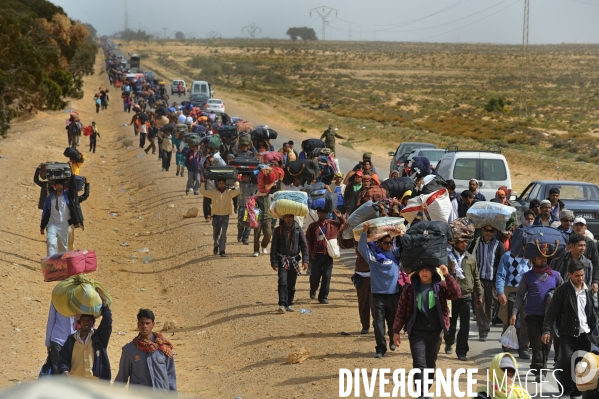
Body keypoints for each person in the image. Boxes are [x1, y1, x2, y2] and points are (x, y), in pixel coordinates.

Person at [392, 264, 461, 397]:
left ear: (432, 272)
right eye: (422, 270)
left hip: (435, 332)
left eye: (427, 270)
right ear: (417, 273)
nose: (424, 273)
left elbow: (456, 293)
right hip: (417, 332)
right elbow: (401, 311)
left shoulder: (440, 287)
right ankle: (422, 393)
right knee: (419, 363)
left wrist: (447, 275)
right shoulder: (410, 289)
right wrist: (396, 331)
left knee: (430, 364)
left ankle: (424, 389)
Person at [543, 259, 597, 398]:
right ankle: (566, 390)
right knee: (566, 360)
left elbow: (591, 312)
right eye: (577, 276)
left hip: (585, 333)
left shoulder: (587, 291)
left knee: (582, 364)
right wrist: (546, 330)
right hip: (567, 332)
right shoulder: (562, 291)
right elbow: (552, 312)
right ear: (570, 275)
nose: (580, 278)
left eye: (582, 275)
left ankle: (578, 388)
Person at [511, 255, 562, 382]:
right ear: (533, 259)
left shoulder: (555, 276)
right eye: (539, 257)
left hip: (549, 317)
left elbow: (563, 293)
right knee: (536, 343)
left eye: (545, 257)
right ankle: (540, 370)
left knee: (546, 344)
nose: (543, 259)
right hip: (531, 316)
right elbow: (519, 296)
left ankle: (538, 367)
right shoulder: (527, 276)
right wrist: (514, 313)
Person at [357, 222, 406, 358]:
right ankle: (380, 348)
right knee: (378, 324)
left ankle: (391, 341)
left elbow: (406, 249)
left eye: (390, 243)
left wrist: (401, 235)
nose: (388, 245)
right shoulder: (373, 256)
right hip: (378, 296)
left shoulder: (395, 254)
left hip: (394, 295)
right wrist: (364, 232)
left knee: (392, 322)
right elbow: (362, 248)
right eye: (385, 243)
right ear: (379, 243)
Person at [444, 219, 483, 361]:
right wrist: (452, 270)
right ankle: (449, 342)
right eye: (462, 241)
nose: (464, 244)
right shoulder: (448, 257)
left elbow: (476, 277)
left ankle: (462, 351)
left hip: (466, 296)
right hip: (451, 297)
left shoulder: (471, 258)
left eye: (466, 242)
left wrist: (479, 294)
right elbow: (443, 276)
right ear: (455, 242)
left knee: (465, 327)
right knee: (451, 325)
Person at [115, 309, 177, 392]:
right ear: (138, 325)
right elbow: (122, 378)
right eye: (142, 323)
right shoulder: (129, 350)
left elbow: (171, 376)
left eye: (147, 323)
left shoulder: (163, 347)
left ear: (153, 324)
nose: (145, 326)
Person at [57, 288, 112, 380]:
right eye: (84, 320)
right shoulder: (71, 340)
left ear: (93, 322)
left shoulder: (98, 338)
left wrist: (104, 302)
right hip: (75, 385)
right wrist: (65, 371)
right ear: (79, 322)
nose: (86, 323)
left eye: (89, 320)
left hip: (95, 385)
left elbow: (107, 322)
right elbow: (62, 360)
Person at [496, 249, 531, 359]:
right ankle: (507, 343)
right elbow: (500, 275)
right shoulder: (506, 256)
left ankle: (523, 348)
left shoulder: (531, 255)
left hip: (527, 292)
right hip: (511, 291)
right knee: (509, 319)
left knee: (526, 321)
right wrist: (501, 292)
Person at [270, 214, 309, 312]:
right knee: (282, 281)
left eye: (290, 217)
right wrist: (274, 262)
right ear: (283, 218)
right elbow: (273, 247)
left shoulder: (298, 230)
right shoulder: (278, 230)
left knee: (291, 284)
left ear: (293, 217)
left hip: (294, 260)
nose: (288, 219)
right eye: (286, 217)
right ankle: (282, 304)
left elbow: (304, 246)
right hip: (282, 260)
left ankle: (290, 303)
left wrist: (305, 260)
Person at [306, 209, 345, 304]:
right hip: (316, 256)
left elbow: (345, 225)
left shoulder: (333, 224)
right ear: (317, 213)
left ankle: (323, 297)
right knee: (315, 276)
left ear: (327, 213)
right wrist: (309, 255)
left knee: (327, 277)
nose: (322, 214)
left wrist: (340, 217)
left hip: (328, 256)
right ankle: (313, 289)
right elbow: (308, 241)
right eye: (320, 212)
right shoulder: (313, 226)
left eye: (324, 212)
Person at [475, 225, 505, 341]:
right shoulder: (476, 243)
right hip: (479, 279)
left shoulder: (499, 245)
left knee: (490, 306)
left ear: (494, 231)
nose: (488, 233)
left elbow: (502, 265)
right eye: (486, 230)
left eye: (491, 231)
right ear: (482, 230)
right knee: (480, 304)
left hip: (493, 280)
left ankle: (485, 325)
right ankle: (483, 330)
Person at [200, 179, 240, 257]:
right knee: (215, 234)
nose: (221, 185)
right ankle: (216, 244)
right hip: (216, 216)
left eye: (223, 183)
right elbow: (203, 192)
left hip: (225, 216)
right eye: (220, 183)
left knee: (224, 233)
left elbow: (237, 191)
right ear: (217, 184)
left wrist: (235, 182)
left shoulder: (229, 193)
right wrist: (203, 183)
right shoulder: (213, 192)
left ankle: (222, 251)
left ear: (225, 184)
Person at [45, 302, 76, 375]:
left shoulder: (80, 295)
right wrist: (48, 341)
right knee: (58, 374)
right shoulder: (57, 297)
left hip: (75, 341)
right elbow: (51, 320)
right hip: (58, 340)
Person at [237, 173, 257, 245]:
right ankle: (240, 235)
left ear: (249, 177)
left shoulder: (254, 185)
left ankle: (245, 238)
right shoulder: (239, 184)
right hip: (241, 205)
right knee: (240, 222)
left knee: (249, 222)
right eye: (244, 177)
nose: (246, 178)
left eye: (247, 177)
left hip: (250, 206)